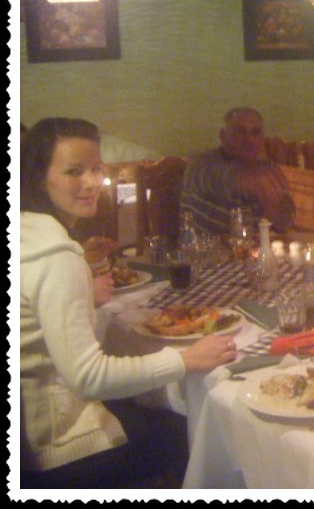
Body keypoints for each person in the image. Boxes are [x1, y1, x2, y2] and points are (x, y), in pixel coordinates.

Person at [20, 117, 237, 488]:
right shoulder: (56, 255)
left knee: (148, 402)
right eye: (74, 171)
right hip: (60, 446)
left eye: (96, 168)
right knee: (196, 431)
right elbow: (89, 377)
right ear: (40, 177)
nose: (92, 183)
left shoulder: (28, 229)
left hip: (35, 430)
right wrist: (185, 360)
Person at [180, 106, 295, 236]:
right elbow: (222, 178)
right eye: (239, 132)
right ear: (223, 136)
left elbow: (286, 222)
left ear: (262, 138)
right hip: (208, 248)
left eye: (255, 132)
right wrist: (250, 182)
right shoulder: (202, 163)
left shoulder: (269, 168)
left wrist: (276, 211)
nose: (249, 140)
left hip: (256, 246)